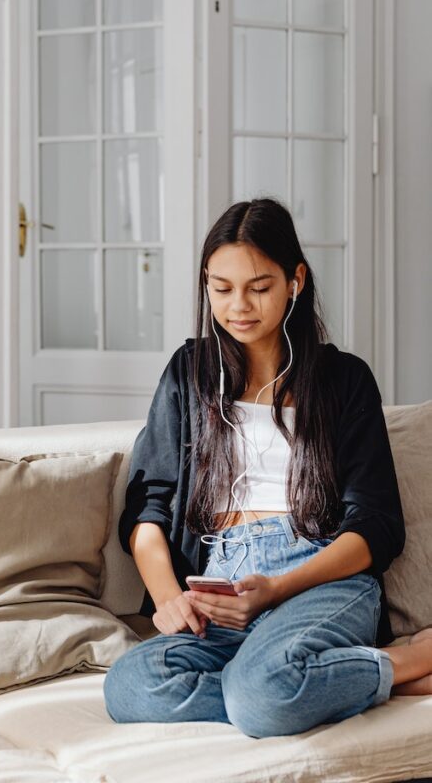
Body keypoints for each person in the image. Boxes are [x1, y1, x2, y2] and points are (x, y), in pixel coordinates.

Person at [103, 197, 432, 738]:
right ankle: (339, 679)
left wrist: (278, 588)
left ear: (294, 280)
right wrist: (169, 600)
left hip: (320, 576)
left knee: (260, 700)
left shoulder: (344, 381)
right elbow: (148, 508)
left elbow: (375, 526)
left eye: (259, 287)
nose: (239, 306)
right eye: (221, 288)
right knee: (132, 684)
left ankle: (409, 660)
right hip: (218, 585)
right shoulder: (189, 373)